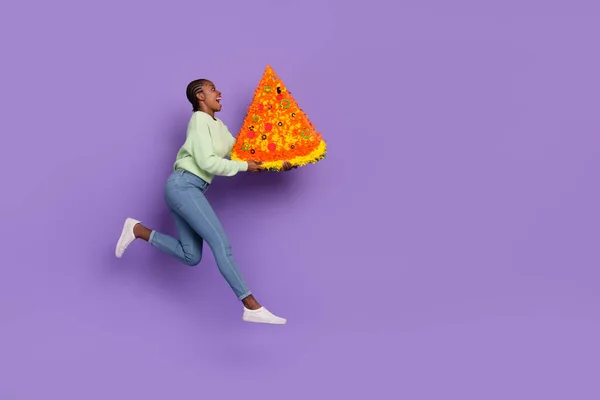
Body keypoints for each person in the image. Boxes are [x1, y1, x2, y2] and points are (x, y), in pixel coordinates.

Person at [115, 78, 291, 325]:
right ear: (200, 96)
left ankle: (138, 230)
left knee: (191, 256)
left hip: (189, 189)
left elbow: (242, 153)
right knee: (221, 244)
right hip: (184, 186)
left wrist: (277, 162)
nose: (219, 93)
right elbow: (208, 162)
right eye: (212, 89)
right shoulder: (198, 121)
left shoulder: (218, 125)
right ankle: (251, 305)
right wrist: (244, 166)